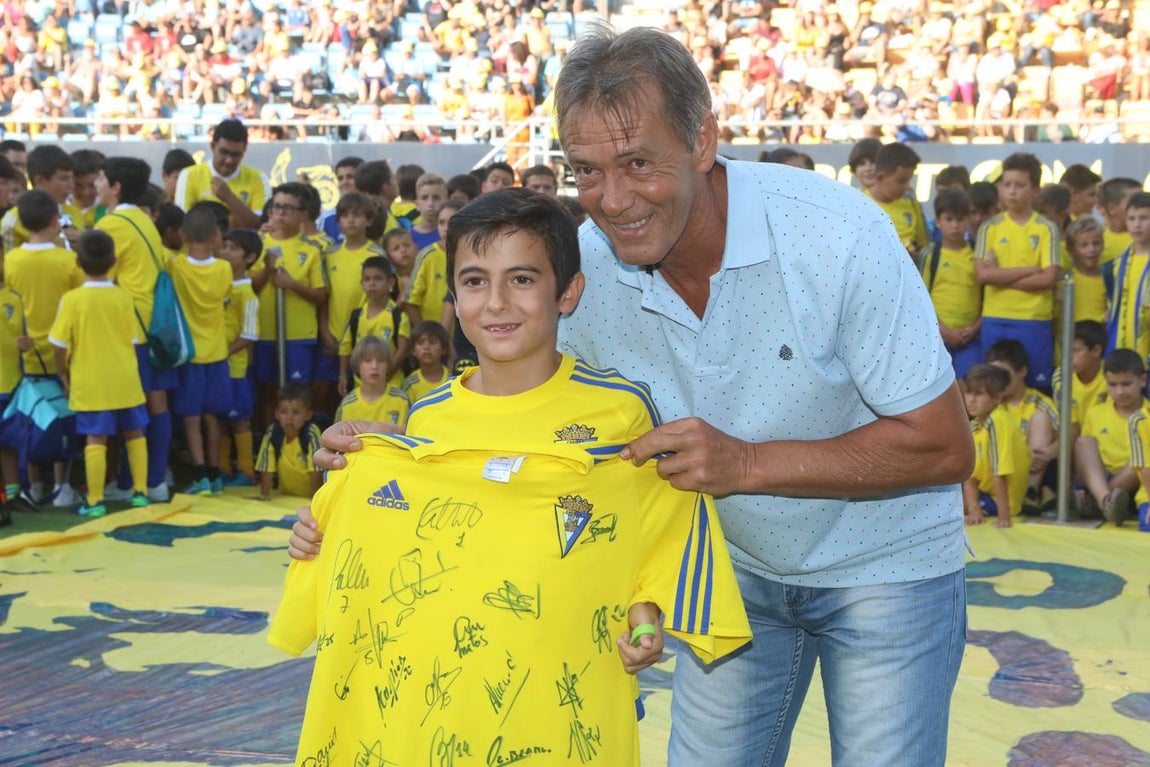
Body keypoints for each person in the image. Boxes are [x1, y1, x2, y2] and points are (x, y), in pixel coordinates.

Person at [295, 25, 974, 767]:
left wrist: (746, 463)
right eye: (586, 170)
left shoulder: (836, 236)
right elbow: (526, 422)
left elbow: (945, 446)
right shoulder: (582, 271)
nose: (613, 200)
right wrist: (390, 465)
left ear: (704, 140)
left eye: (638, 163)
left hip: (886, 566)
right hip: (726, 568)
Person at [270, 187, 751, 764]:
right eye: (475, 281)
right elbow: (404, 536)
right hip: (440, 704)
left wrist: (645, 622)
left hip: (560, 698)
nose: (496, 303)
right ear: (454, 298)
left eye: (521, 279)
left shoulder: (620, 412)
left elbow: (648, 534)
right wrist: (323, 534)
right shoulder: (428, 418)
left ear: (568, 292)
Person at [49, 230, 149, 518]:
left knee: (95, 439)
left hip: (90, 382)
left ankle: (95, 501)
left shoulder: (72, 300)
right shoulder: (124, 297)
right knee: (135, 434)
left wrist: (62, 373)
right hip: (126, 379)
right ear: (114, 262)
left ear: (77, 263)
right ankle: (140, 493)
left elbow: (58, 345)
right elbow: (134, 340)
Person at [96, 157, 173, 503]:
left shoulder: (112, 223)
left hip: (132, 328)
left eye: (101, 179)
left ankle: (133, 483)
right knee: (157, 403)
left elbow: (101, 274)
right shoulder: (143, 217)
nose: (96, 185)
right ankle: (155, 479)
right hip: (156, 325)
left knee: (134, 408)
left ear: (115, 187)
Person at [975, 152, 1061, 389]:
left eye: (1020, 185)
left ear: (1036, 190)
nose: (1012, 191)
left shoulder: (1046, 228)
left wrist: (1000, 276)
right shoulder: (989, 227)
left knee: (1035, 386)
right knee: (992, 388)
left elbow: (1048, 279)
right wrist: (1029, 270)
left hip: (1034, 320)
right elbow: (982, 275)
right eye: (1007, 184)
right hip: (996, 318)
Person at [168, 207, 234, 496]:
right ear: (216, 236)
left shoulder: (176, 265)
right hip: (218, 352)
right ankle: (215, 474)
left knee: (191, 418)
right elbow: (227, 299)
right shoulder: (224, 268)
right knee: (213, 417)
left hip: (190, 354)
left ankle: (200, 476)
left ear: (183, 235)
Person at [252, 182, 327, 423]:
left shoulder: (312, 249)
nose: (280, 213)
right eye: (276, 207)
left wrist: (292, 284)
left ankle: (300, 438)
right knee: (267, 390)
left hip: (299, 334)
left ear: (303, 214)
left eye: (288, 208)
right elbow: (248, 288)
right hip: (264, 332)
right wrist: (266, 270)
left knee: (297, 394)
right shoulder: (258, 243)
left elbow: (321, 295)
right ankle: (270, 436)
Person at [983, 339, 1058, 516]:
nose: (998, 380)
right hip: (1001, 468)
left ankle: (1030, 492)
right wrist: (1023, 454)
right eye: (993, 374)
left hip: (1036, 468)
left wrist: (1048, 453)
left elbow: (1065, 437)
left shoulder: (1039, 401)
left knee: (1040, 418)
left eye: (1003, 374)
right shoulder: (991, 403)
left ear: (1022, 372)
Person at [1074, 348, 1149, 525]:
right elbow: (1083, 462)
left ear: (1143, 380)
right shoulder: (1096, 413)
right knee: (1083, 442)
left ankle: (1099, 504)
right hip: (1099, 479)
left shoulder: (1147, 415)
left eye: (1126, 384)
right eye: (1112, 385)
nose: (1119, 392)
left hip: (1134, 481)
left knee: (1139, 461)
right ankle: (1106, 501)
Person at [919, 188, 981, 380]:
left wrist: (975, 328)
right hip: (937, 337)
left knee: (970, 386)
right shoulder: (930, 255)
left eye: (960, 219)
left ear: (969, 220)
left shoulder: (978, 253)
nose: (955, 225)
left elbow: (990, 297)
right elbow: (919, 299)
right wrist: (943, 331)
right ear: (937, 221)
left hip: (971, 338)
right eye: (949, 219)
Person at [219, 228, 261, 487]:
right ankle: (223, 467)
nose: (225, 252)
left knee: (239, 419)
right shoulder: (220, 284)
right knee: (222, 418)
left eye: (233, 248)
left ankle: (246, 470)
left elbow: (249, 335)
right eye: (224, 246)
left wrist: (222, 352)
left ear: (250, 257)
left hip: (235, 367)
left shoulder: (248, 294)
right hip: (218, 366)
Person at [173, 119, 270, 229]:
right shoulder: (189, 175)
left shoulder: (259, 178)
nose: (229, 160)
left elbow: (261, 226)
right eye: (224, 152)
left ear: (244, 151)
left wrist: (229, 197)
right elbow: (184, 225)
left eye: (235, 155)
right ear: (213, 146)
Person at [962, 363, 1026, 527]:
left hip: (1001, 502)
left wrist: (1004, 518)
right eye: (968, 392)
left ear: (997, 397)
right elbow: (970, 477)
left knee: (941, 504)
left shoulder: (998, 421)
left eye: (979, 394)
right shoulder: (974, 426)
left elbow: (1000, 473)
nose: (971, 400)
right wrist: (974, 508)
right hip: (984, 495)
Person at [338, 256, 409, 392]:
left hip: (391, 384)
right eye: (367, 279)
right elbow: (345, 348)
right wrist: (342, 376)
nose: (372, 283)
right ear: (362, 284)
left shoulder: (398, 316)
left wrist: (385, 374)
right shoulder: (357, 316)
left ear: (390, 282)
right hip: (361, 385)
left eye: (378, 279)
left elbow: (402, 350)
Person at [0, 145, 78, 253]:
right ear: (40, 180)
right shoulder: (14, 219)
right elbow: (8, 262)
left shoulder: (75, 213)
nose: (71, 185)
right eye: (63, 179)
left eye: (71, 179)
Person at [0, 257, 31, 524]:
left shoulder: (14, 298)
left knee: (9, 441)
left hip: (11, 382)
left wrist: (26, 344)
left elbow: (23, 337)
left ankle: (12, 494)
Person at [1101, 191, 1150, 357]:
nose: (1137, 225)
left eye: (1144, 218)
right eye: (1131, 219)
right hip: (1120, 345)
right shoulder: (1114, 266)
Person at [255, 382, 323, 500]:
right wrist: (263, 496)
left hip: (309, 497)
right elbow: (266, 468)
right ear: (276, 414)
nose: (289, 417)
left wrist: (316, 501)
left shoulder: (311, 433)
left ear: (308, 415)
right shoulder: (273, 433)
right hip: (285, 497)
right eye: (283, 412)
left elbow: (316, 471)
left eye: (296, 412)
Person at [404, 199, 463, 331]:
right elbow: (410, 301)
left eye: (451, 222)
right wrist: (425, 334)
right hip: (433, 335)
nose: (446, 228)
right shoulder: (427, 255)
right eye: (441, 223)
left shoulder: (473, 255)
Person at [867, 142, 928, 258]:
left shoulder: (911, 203)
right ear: (880, 177)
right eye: (901, 181)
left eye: (909, 180)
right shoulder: (861, 203)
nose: (907, 186)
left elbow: (923, 245)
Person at [333, 336, 410, 426]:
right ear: (357, 365)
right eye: (368, 360)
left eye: (381, 360)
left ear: (388, 365)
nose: (374, 366)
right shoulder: (347, 405)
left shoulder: (402, 400)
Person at [1052, 320, 1108, 441]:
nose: (1067, 357)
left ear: (1096, 350)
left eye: (1074, 351)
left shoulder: (1112, 376)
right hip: (1076, 440)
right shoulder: (1061, 377)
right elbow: (1070, 426)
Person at [1063, 216, 1106, 325]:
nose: (1092, 249)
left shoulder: (1110, 280)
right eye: (1084, 245)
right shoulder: (1065, 282)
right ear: (1070, 250)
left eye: (1096, 243)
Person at [401, 320, 450, 402]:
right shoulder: (409, 384)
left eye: (432, 342)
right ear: (413, 350)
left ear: (443, 348)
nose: (426, 347)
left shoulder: (453, 379)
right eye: (420, 343)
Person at [1097, 177, 1142, 265]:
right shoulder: (1098, 243)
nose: (1142, 206)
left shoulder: (1146, 237)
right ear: (1112, 209)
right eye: (1133, 202)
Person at [408, 172, 447, 252]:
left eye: (436, 198)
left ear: (446, 201)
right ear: (417, 203)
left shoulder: (453, 235)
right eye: (424, 198)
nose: (430, 204)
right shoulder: (408, 239)